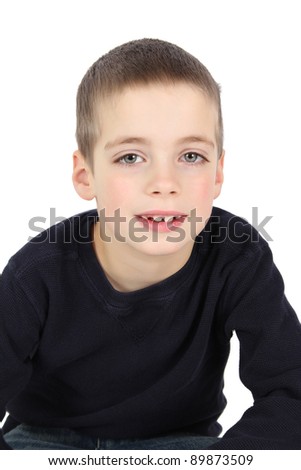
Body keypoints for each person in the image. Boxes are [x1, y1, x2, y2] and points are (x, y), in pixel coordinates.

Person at [1, 38, 301, 451]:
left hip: (180, 445)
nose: (164, 184)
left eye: (191, 156)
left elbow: (291, 393)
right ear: (85, 175)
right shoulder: (35, 275)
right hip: (47, 441)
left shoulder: (238, 259)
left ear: (217, 173)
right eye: (130, 157)